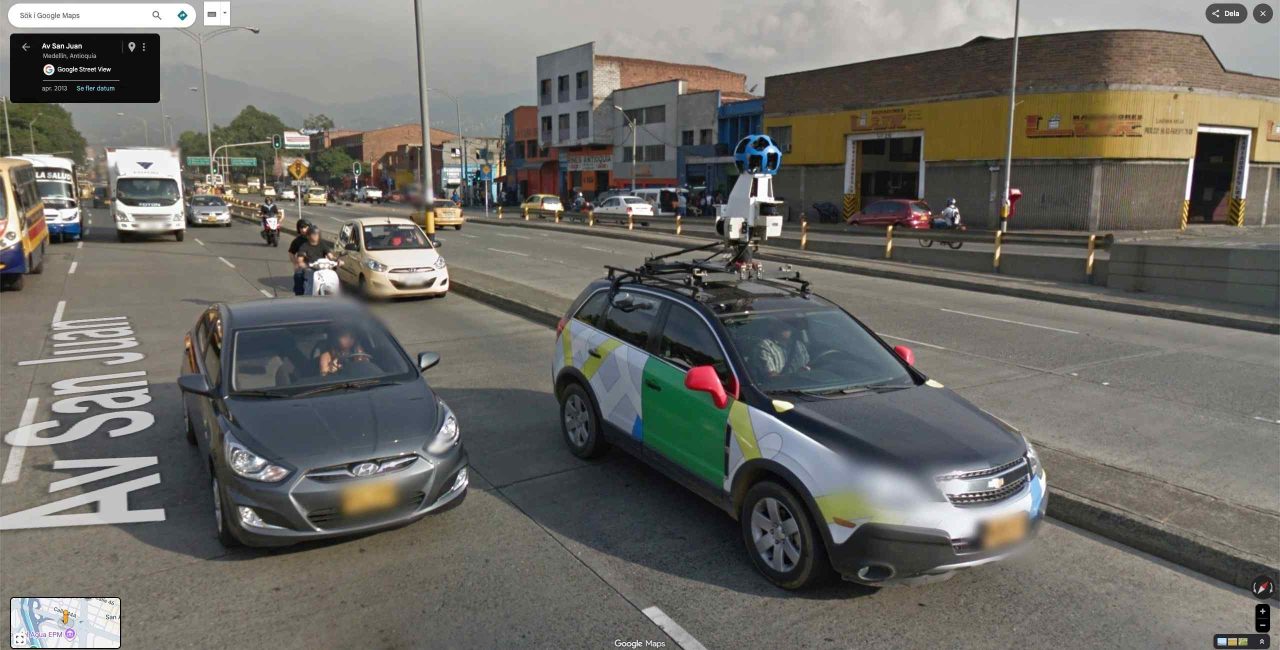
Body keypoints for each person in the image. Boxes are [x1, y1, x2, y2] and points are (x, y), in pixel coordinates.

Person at [293, 225, 333, 295]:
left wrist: (337, 260)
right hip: (310, 268)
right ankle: (302, 296)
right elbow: (300, 259)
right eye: (313, 234)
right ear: (308, 236)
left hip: (322, 269)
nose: (316, 236)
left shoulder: (322, 244)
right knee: (298, 275)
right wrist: (303, 264)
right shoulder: (304, 246)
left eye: (317, 234)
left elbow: (330, 256)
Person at [287, 219, 315, 296]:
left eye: (305, 227)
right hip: (303, 266)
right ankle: (299, 296)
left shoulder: (316, 238)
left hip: (316, 265)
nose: (303, 229)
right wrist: (295, 263)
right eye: (301, 228)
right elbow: (291, 253)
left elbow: (325, 251)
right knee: (298, 276)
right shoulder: (297, 241)